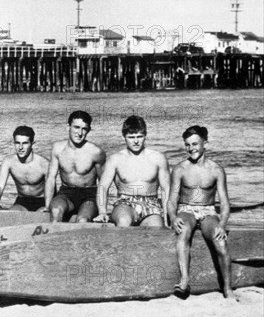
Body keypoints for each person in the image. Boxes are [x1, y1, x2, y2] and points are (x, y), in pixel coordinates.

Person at [168, 126, 235, 300]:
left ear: (205, 143)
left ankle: (228, 289)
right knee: (183, 231)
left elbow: (226, 203)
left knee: (220, 243)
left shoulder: (216, 170)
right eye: (187, 145)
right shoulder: (180, 169)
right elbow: (172, 200)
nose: (192, 148)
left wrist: (222, 224)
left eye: (195, 144)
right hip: (186, 209)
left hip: (208, 211)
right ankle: (184, 280)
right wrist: (173, 217)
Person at [94, 115, 170, 227]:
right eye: (131, 137)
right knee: (124, 220)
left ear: (145, 135)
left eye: (139, 136)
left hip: (152, 204)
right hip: (125, 202)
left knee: (156, 227)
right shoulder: (116, 159)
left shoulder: (158, 158)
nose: (136, 141)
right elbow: (103, 187)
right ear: (124, 137)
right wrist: (102, 212)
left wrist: (167, 217)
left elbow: (166, 189)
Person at [45, 111, 106, 222]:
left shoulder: (96, 152)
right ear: (68, 127)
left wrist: (102, 212)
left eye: (84, 129)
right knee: (55, 210)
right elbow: (50, 178)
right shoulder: (58, 148)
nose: (80, 133)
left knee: (82, 220)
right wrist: (47, 205)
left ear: (89, 130)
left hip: (89, 196)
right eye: (76, 127)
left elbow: (103, 183)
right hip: (66, 193)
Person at [0, 126, 49, 211]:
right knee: (11, 214)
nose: (20, 147)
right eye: (17, 143)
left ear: (32, 143)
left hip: (42, 201)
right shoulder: (8, 162)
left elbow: (52, 190)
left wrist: (48, 206)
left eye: (25, 143)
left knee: (40, 216)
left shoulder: (44, 163)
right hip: (22, 201)